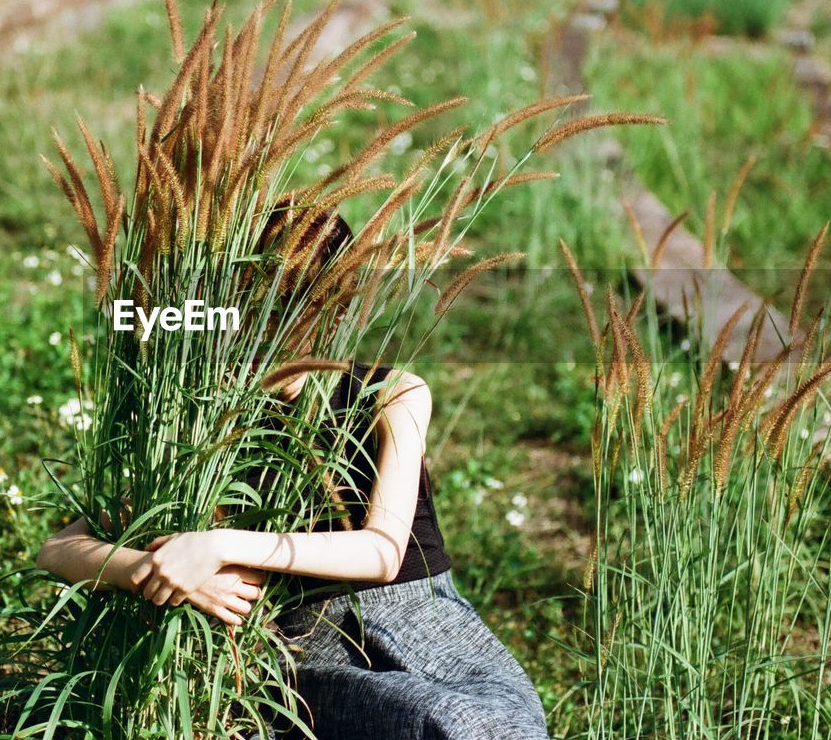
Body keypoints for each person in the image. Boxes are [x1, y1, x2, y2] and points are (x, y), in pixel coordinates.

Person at [35, 208, 550, 740]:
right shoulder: (205, 417)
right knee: (436, 724)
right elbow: (60, 547)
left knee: (481, 725)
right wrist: (162, 570)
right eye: (264, 307)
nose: (280, 330)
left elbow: (381, 552)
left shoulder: (393, 392)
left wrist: (217, 544)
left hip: (433, 630)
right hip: (311, 652)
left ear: (341, 308)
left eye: (302, 309)